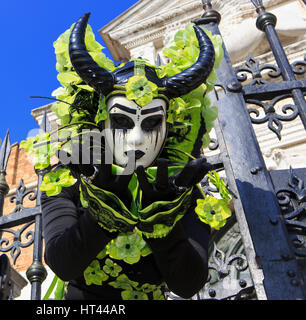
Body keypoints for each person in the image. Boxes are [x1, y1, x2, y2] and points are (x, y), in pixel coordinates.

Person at [38, 13, 222, 300]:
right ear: (101, 121)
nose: (136, 139)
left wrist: (162, 217)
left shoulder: (182, 191)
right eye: (122, 122)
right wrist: (103, 211)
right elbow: (62, 263)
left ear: (167, 126)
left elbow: (187, 285)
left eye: (150, 124)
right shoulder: (68, 178)